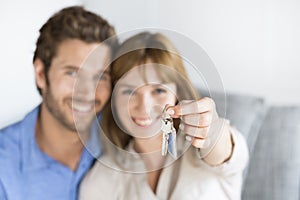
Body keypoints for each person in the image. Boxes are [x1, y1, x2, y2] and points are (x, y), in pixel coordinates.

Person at [79, 32, 249, 200]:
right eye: (128, 91)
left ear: (177, 92)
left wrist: (210, 132)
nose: (144, 107)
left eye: (158, 90)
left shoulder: (206, 148)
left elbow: (223, 151)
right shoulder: (101, 181)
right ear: (113, 99)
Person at [0, 6, 117, 200]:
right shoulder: (4, 166)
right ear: (40, 74)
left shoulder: (126, 145)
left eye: (100, 77)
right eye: (72, 73)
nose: (87, 92)